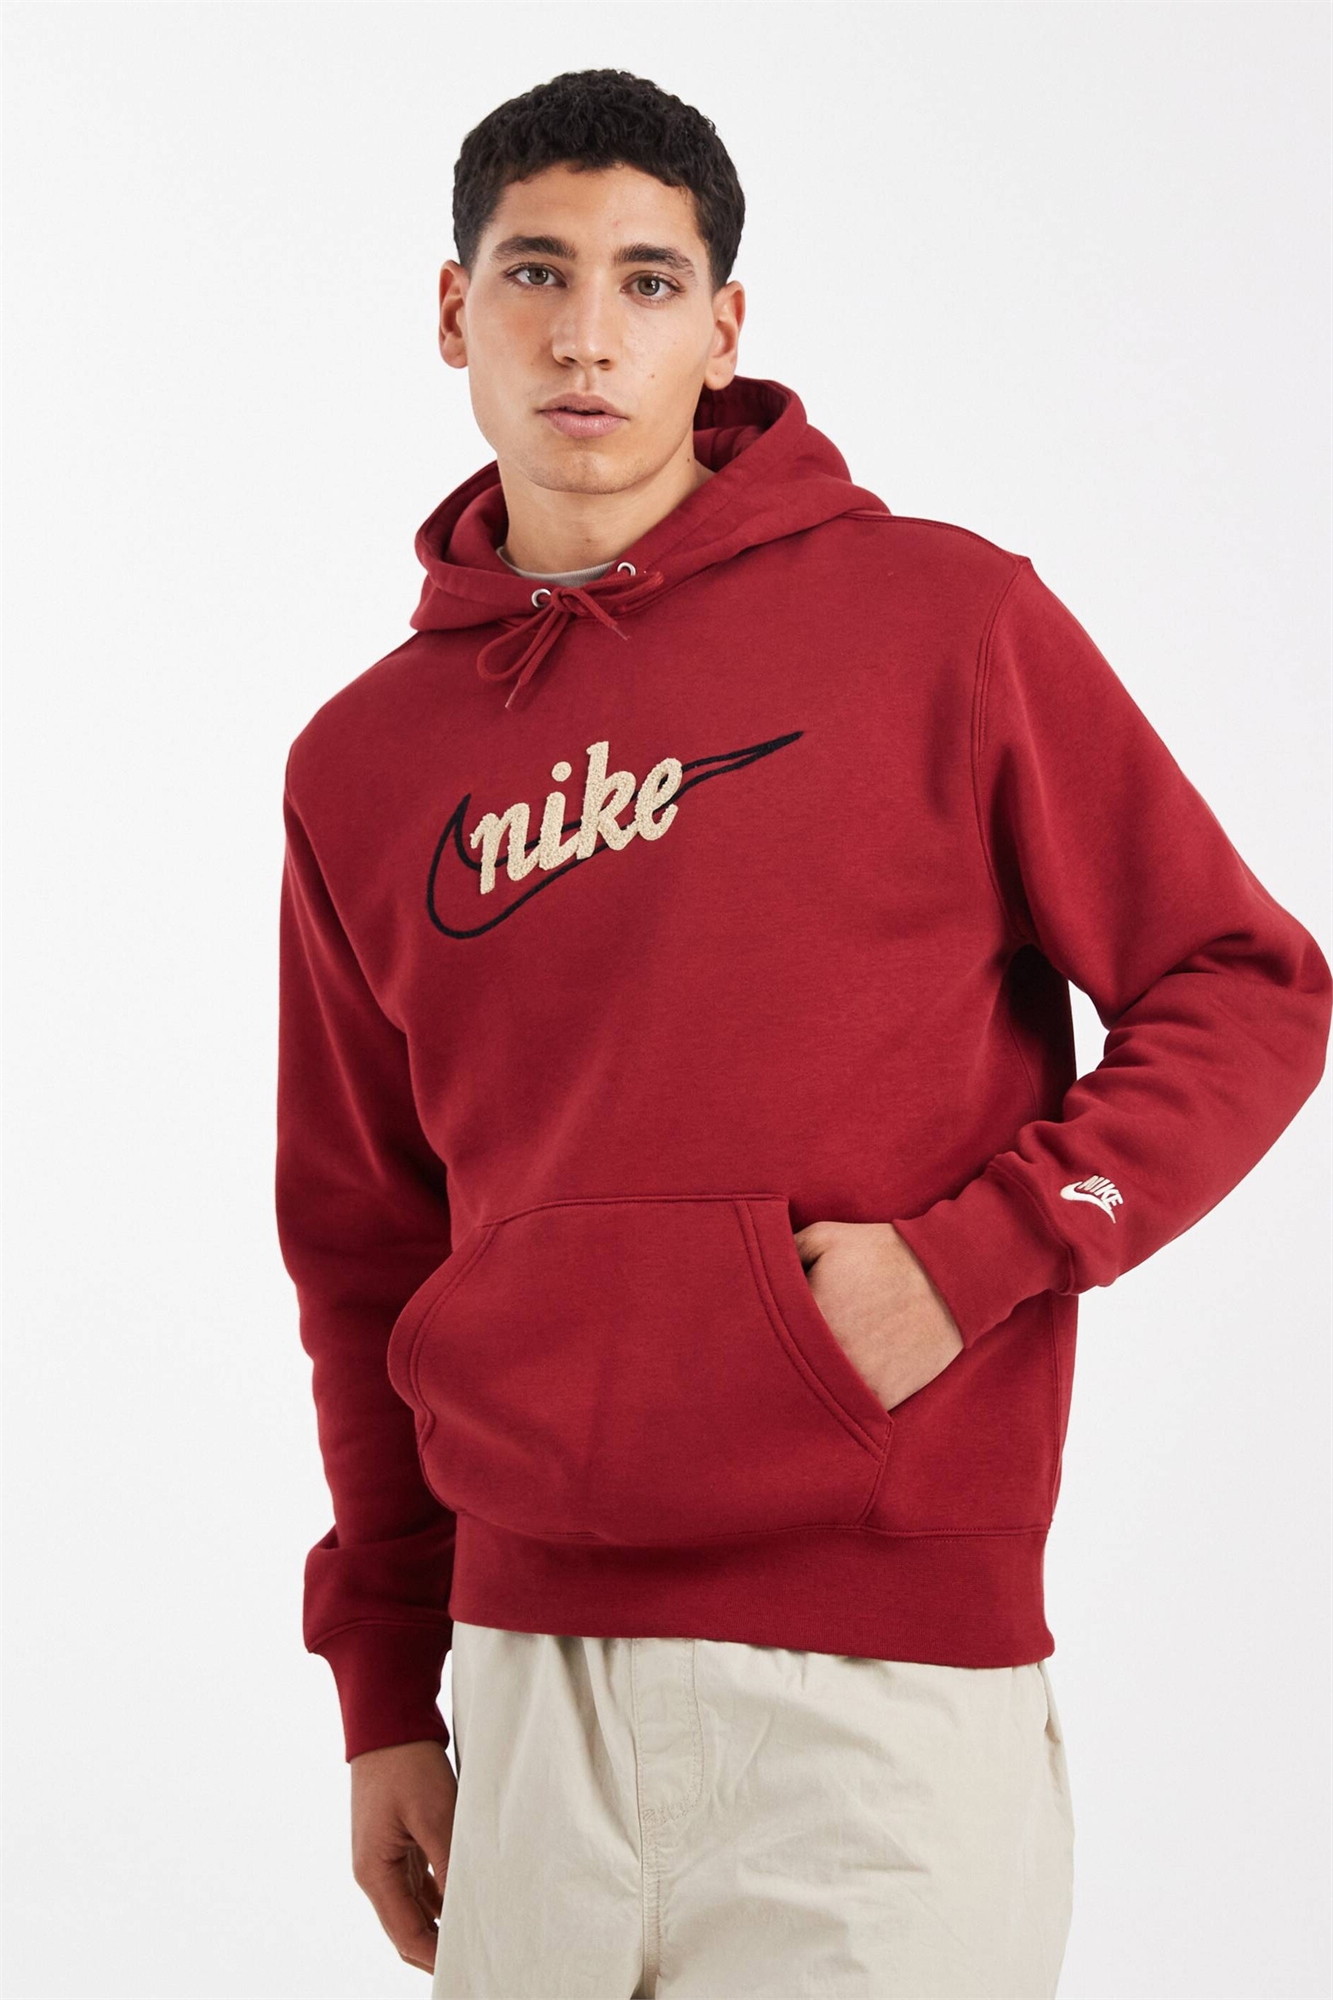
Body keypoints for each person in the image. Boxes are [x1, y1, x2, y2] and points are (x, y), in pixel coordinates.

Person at [273, 67, 1332, 2000]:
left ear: (723, 326)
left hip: (880, 1698)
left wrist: (982, 1255)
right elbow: (363, 1243)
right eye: (534, 273)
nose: (586, 336)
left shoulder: (940, 620)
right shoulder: (362, 763)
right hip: (524, 1693)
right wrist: (384, 1691)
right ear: (451, 310)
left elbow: (1243, 983)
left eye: (648, 282)